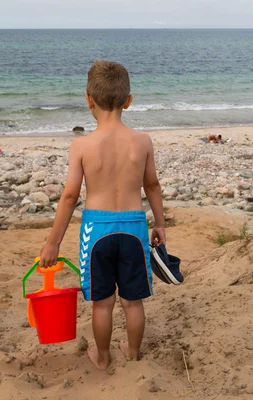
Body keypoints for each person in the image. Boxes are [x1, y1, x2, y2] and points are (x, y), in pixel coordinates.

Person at [39, 60, 166, 370]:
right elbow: (152, 185)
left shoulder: (81, 145)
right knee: (132, 301)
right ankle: (133, 352)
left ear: (88, 99)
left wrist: (53, 242)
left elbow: (70, 196)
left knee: (102, 302)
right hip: (134, 228)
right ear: (128, 101)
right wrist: (160, 223)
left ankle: (103, 356)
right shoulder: (142, 141)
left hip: (96, 232)